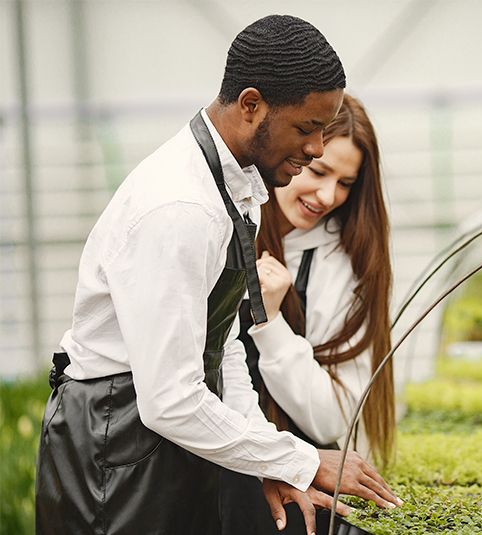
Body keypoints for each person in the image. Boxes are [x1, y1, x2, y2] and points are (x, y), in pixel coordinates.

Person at [35, 15, 400, 535]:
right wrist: (296, 459)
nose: (317, 147)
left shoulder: (235, 185)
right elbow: (170, 400)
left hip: (164, 439)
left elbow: (222, 338)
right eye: (306, 128)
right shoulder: (183, 207)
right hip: (115, 443)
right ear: (251, 105)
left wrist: (267, 459)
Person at [220, 94, 395, 534]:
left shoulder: (344, 263)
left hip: (302, 487)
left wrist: (269, 322)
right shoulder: (220, 224)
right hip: (209, 465)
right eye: (318, 172)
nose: (327, 196)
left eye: (345, 183)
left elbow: (331, 415)